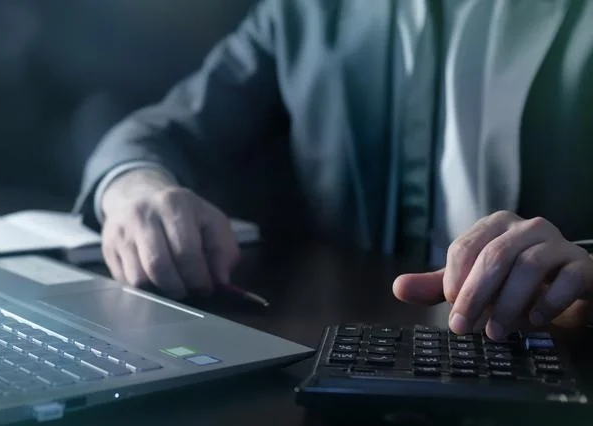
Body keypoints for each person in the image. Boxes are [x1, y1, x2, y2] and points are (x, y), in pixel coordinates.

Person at [74, 0, 593, 340]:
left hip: (551, 364)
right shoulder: (304, 12)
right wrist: (133, 187)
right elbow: (161, 130)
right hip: (343, 356)